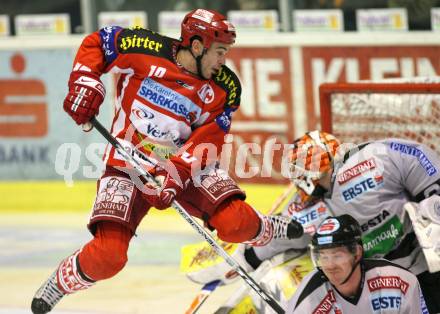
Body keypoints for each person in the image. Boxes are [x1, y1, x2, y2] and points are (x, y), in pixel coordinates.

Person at [30, 9, 303, 314]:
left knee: (236, 223)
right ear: (197, 46)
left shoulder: (226, 87)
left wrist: (176, 173)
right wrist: (84, 80)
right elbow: (98, 42)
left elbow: (208, 140)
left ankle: (269, 229)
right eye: (219, 51)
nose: (223, 61)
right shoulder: (144, 47)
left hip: (184, 164)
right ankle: (61, 282)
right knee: (108, 256)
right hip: (126, 163)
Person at [235, 130, 440, 313]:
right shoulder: (311, 206)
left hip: (422, 263)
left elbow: (419, 163)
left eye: (298, 168)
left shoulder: (374, 159)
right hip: (378, 281)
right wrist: (248, 257)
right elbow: (283, 234)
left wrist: (433, 199)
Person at [286, 214, 429, 313]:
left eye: (337, 255)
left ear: (357, 253)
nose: (329, 266)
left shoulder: (399, 282)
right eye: (323, 257)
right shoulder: (308, 301)